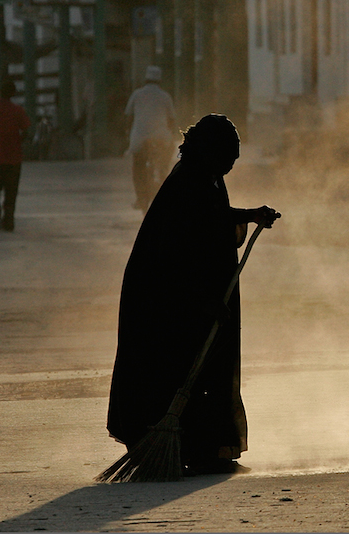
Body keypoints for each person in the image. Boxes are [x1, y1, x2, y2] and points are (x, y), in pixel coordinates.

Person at [107, 113, 280, 475]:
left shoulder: (206, 178)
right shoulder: (186, 183)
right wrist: (203, 300)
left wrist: (250, 214)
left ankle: (203, 445)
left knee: (202, 365)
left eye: (234, 156)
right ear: (209, 151)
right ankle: (185, 444)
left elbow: (213, 217)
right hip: (165, 298)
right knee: (169, 365)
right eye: (227, 155)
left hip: (189, 293)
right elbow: (176, 254)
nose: (232, 163)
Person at [0, 79, 32, 232]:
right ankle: (8, 220)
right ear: (13, 93)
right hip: (13, 159)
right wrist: (17, 141)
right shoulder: (18, 111)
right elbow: (26, 132)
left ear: (0, 93)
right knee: (11, 191)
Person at [124, 65, 178, 212]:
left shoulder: (137, 94)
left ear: (145, 79)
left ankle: (140, 198)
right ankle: (162, 171)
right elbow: (172, 119)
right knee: (168, 153)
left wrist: (128, 131)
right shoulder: (165, 96)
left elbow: (128, 115)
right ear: (159, 81)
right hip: (160, 137)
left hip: (139, 137)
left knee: (138, 168)